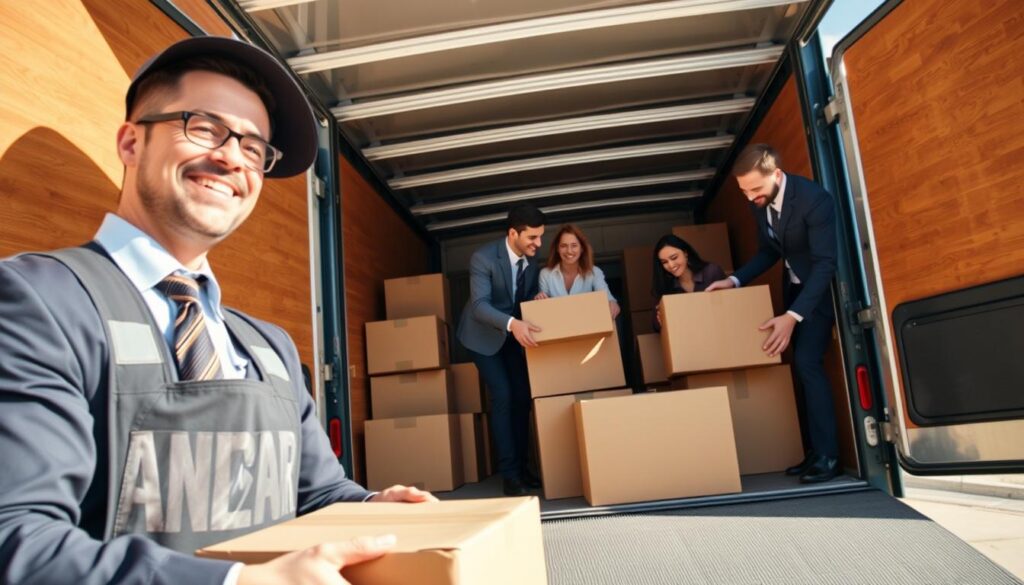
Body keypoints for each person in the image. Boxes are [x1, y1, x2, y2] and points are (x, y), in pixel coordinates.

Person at [0, 37, 435, 585]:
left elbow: (317, 494)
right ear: (132, 142)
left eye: (254, 149)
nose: (232, 157)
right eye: (204, 127)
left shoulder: (269, 347)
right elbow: (16, 539)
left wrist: (370, 506)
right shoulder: (35, 302)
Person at [705, 143, 841, 484]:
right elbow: (769, 252)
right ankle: (815, 451)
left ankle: (829, 456)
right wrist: (734, 280)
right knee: (802, 366)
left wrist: (792, 316)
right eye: (744, 191)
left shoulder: (814, 201)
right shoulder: (759, 204)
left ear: (776, 174)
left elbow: (826, 265)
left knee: (808, 362)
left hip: (817, 294)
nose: (750, 197)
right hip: (794, 288)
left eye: (755, 188)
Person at [456, 204, 546, 497]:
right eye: (532, 238)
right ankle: (510, 475)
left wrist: (537, 297)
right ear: (513, 233)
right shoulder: (483, 258)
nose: (538, 244)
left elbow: (521, 296)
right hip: (482, 336)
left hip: (510, 335)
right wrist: (513, 324)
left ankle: (523, 467)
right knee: (504, 396)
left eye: (540, 237)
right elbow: (480, 305)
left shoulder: (532, 262)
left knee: (523, 396)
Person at [535, 223, 620, 318]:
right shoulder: (545, 274)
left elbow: (609, 299)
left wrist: (612, 303)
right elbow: (543, 310)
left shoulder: (594, 272)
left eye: (574, 245)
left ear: (582, 248)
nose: (569, 251)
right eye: (563, 246)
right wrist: (540, 300)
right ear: (557, 249)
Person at [650, 233, 727, 332]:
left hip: (719, 331)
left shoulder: (711, 272)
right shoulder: (665, 286)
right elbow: (655, 326)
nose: (671, 265)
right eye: (664, 262)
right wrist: (660, 319)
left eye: (674, 258)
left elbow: (730, 305)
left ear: (685, 253)